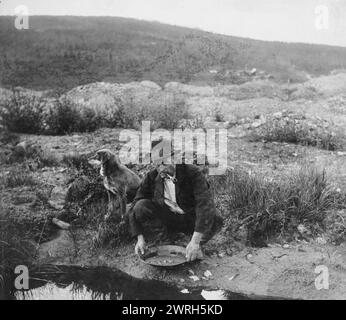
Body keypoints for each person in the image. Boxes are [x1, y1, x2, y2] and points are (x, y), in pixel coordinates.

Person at [127, 143, 222, 262]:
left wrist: (195, 241)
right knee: (141, 206)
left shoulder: (193, 173)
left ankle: (192, 245)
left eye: (164, 163)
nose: (161, 169)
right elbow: (134, 205)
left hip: (191, 219)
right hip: (169, 220)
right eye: (157, 164)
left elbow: (204, 205)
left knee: (215, 217)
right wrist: (139, 238)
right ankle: (165, 240)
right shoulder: (152, 177)